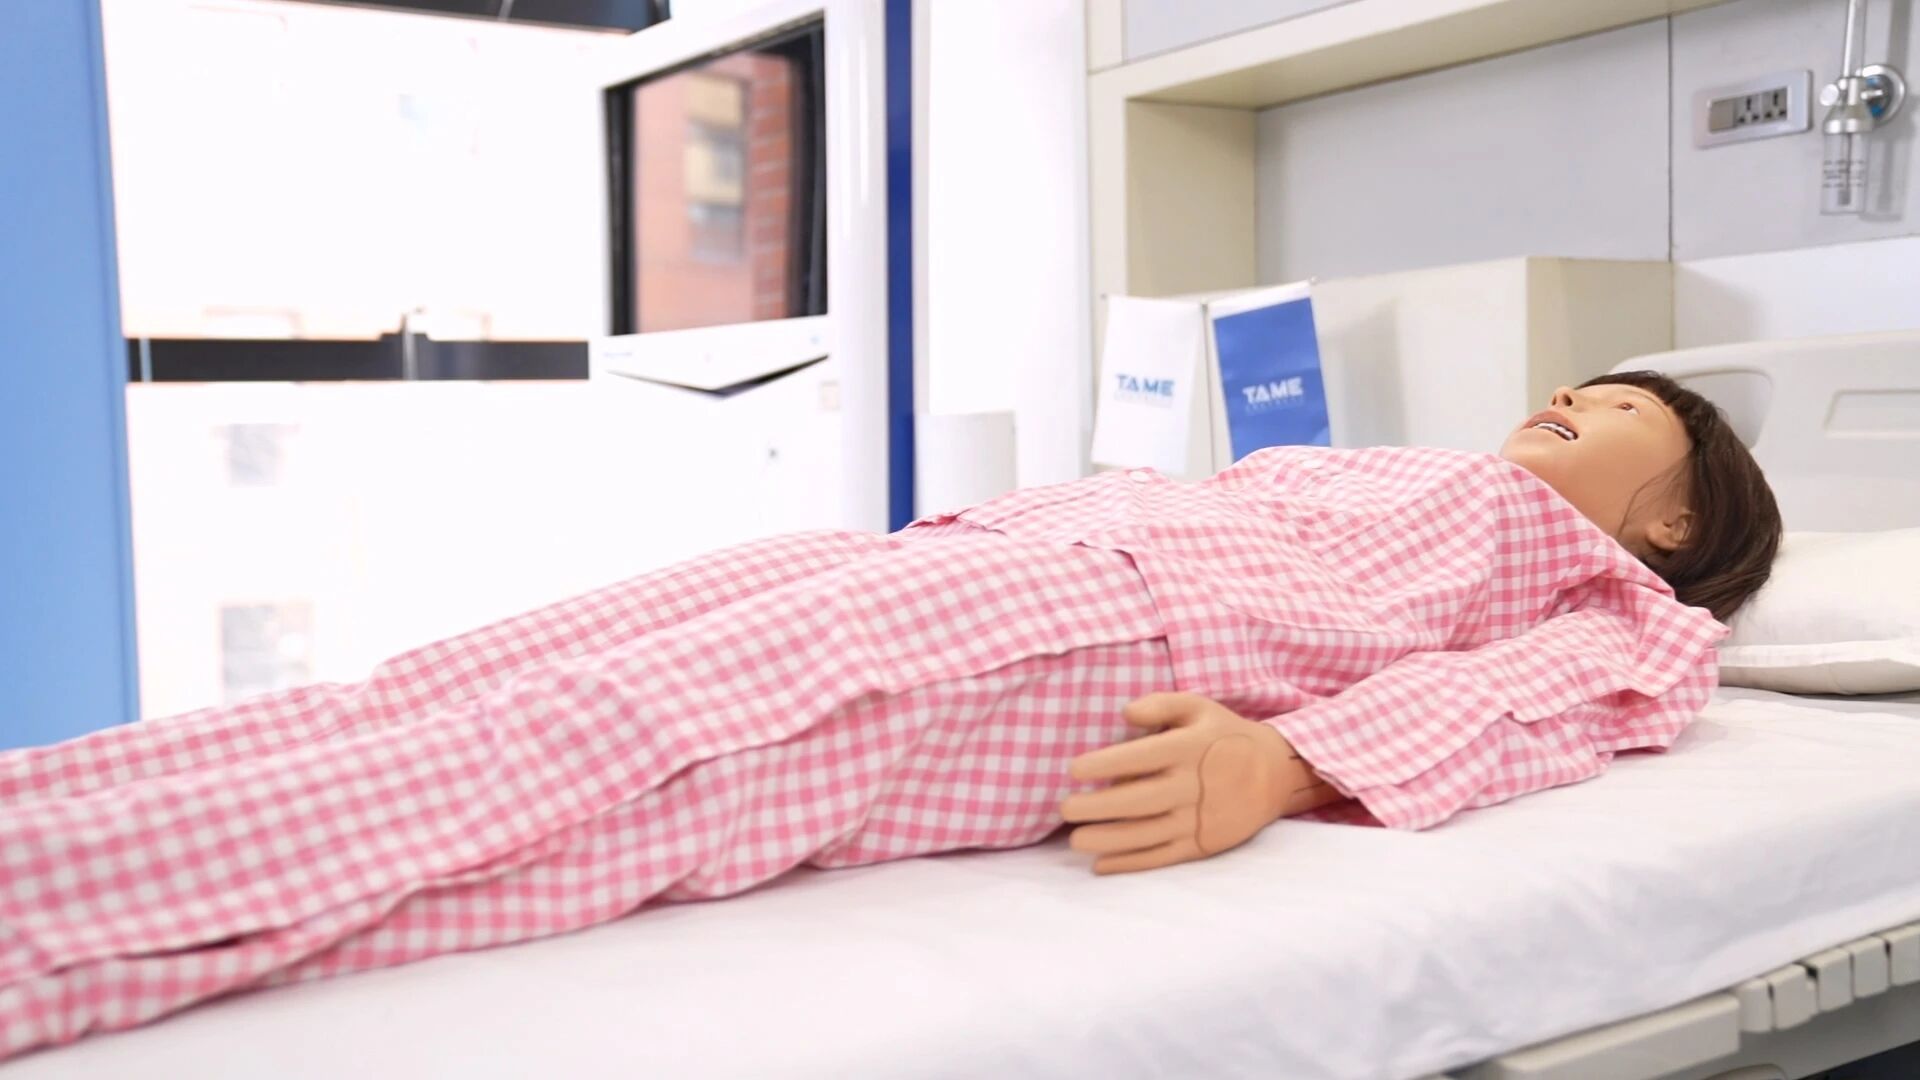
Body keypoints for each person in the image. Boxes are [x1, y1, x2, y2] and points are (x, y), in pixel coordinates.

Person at [0, 371, 1781, 1060]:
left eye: (1619, 406)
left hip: (1069, 635)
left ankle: (52, 926)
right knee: (449, 689)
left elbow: (1532, 704)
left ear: (1678, 518)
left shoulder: (1622, 608)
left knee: (575, 763)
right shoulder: (1387, 464)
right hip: (947, 563)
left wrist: (1284, 760)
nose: (1568, 397)